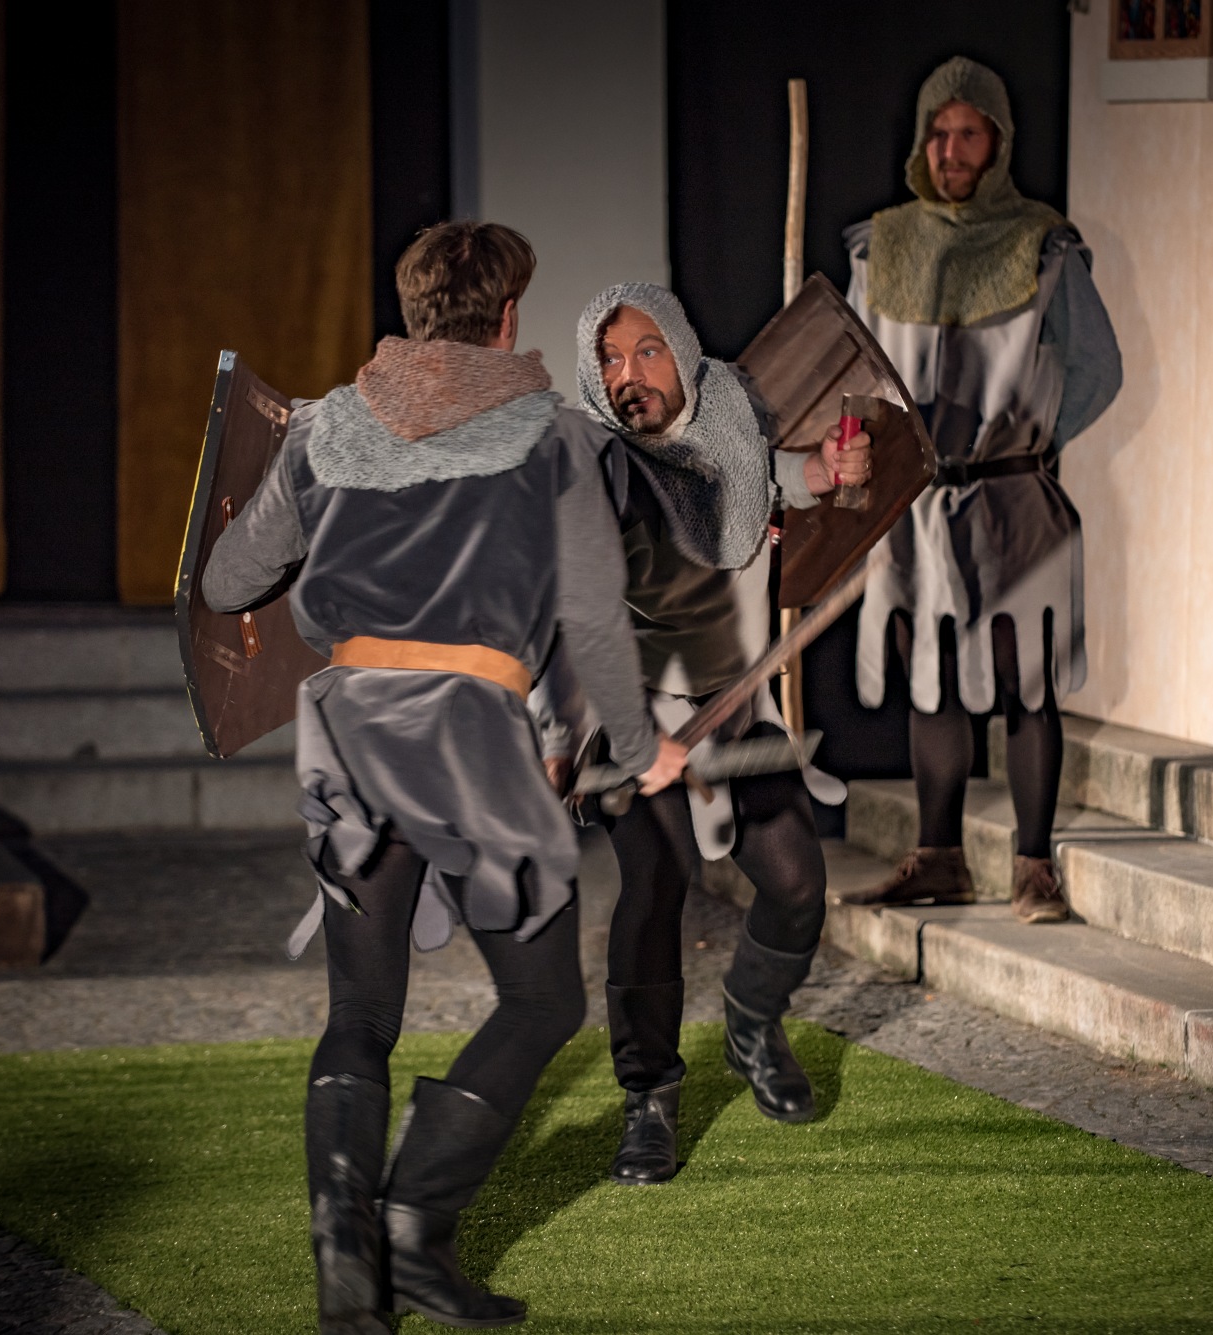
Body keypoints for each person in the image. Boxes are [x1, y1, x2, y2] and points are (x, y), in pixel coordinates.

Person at [203, 222, 684, 1333]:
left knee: (362, 1011)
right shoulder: (553, 436)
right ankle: (414, 1227)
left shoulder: (323, 428)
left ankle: (346, 1269)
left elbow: (227, 582)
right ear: (507, 317)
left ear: (414, 311)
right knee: (542, 998)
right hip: (465, 735)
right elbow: (591, 615)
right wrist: (635, 742)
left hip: (347, 733)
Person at [545, 282, 868, 1186]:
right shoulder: (595, 465)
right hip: (636, 716)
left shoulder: (730, 415)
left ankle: (752, 1021)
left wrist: (824, 472)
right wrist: (571, 735)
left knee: (797, 883)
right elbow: (566, 612)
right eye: (610, 359)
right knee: (655, 885)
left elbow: (761, 479)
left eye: (646, 351)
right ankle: (648, 1093)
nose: (628, 374)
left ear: (682, 352)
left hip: (736, 707)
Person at [835, 56, 1121, 923]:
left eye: (968, 133)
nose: (951, 150)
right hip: (915, 506)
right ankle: (939, 858)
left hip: (1011, 500)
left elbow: (1097, 367)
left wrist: (1030, 440)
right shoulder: (880, 248)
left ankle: (1033, 868)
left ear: (998, 143)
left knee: (1023, 679)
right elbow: (852, 372)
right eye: (940, 132)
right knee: (933, 680)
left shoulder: (1043, 245)